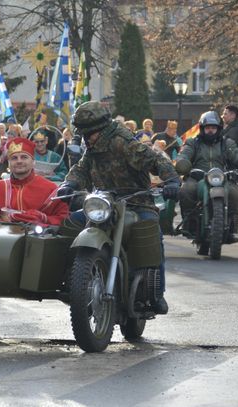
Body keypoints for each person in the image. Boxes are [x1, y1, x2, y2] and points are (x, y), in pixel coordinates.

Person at [57, 101, 179, 315]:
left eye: (90, 133)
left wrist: (171, 181)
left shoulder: (123, 142)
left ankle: (157, 293)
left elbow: (155, 159)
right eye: (84, 133)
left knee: (151, 230)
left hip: (136, 201)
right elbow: (82, 167)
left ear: (101, 128)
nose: (87, 138)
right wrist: (69, 184)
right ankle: (73, 279)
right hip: (103, 202)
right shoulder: (93, 145)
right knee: (68, 223)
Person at [176, 111, 238, 244]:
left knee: (236, 195)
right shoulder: (193, 142)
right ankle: (190, 223)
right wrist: (182, 163)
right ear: (202, 128)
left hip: (221, 177)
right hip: (197, 176)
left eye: (213, 128)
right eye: (208, 128)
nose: (210, 131)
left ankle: (232, 227)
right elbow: (185, 154)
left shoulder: (226, 143)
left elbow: (236, 153)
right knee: (186, 190)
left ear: (219, 129)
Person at [0, 137, 69, 225]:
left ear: (33, 162)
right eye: (14, 158)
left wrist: (42, 218)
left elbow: (64, 218)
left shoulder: (50, 189)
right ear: (9, 163)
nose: (19, 161)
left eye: (24, 157)